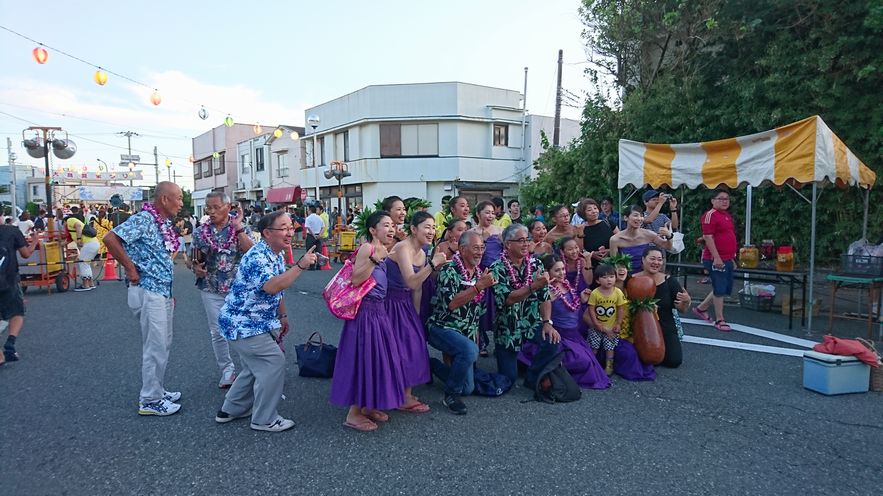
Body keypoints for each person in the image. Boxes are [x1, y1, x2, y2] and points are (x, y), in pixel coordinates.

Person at [214, 211, 317, 432]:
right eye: (283, 228)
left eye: (291, 227)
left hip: (252, 322)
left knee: (254, 366)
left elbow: (276, 291)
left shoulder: (275, 255)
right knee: (273, 362)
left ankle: (231, 409)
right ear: (267, 233)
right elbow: (272, 286)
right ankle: (264, 419)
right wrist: (300, 266)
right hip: (244, 324)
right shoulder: (258, 256)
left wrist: (283, 315)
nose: (289, 232)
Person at [103, 182, 185, 416]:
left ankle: (157, 389)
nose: (181, 203)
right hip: (148, 290)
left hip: (161, 290)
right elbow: (110, 239)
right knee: (155, 345)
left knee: (163, 342)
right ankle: (149, 399)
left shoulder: (161, 223)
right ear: (164, 200)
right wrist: (129, 268)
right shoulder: (144, 219)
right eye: (178, 198)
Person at [329, 211, 408, 432]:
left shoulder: (385, 249)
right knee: (363, 359)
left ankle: (368, 405)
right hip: (365, 313)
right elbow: (356, 279)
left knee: (377, 359)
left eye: (392, 225)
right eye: (385, 225)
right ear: (373, 230)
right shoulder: (368, 249)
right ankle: (353, 414)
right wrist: (375, 258)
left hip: (379, 311)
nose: (391, 229)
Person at [426, 231, 496, 414]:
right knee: (469, 350)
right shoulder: (449, 270)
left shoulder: (480, 272)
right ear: (462, 249)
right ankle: (450, 395)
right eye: (475, 248)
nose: (480, 252)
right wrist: (479, 286)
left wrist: (476, 337)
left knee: (468, 388)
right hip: (442, 327)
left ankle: (430, 366)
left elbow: (476, 312)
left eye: (482, 248)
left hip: (466, 332)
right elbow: (452, 304)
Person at [387, 211, 448, 413]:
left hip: (405, 303)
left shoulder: (422, 253)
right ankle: (398, 396)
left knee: (414, 344)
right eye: (427, 227)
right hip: (388, 303)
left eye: (433, 227)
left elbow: (418, 287)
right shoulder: (403, 247)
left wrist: (415, 313)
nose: (431, 231)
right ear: (414, 229)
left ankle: (405, 394)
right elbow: (411, 280)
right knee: (394, 350)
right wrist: (433, 264)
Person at [192, 192, 254, 389]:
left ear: (228, 207)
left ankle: (249, 369)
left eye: (215, 207)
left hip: (238, 288)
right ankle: (227, 369)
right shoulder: (200, 231)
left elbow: (251, 252)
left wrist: (239, 229)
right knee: (217, 331)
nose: (211, 212)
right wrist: (194, 266)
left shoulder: (240, 228)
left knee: (243, 328)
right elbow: (192, 256)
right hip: (210, 287)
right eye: (208, 208)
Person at [518, 254, 609, 389]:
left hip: (574, 335)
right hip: (560, 335)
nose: (562, 273)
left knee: (590, 362)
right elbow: (535, 315)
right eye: (557, 270)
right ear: (547, 273)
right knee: (584, 362)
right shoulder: (546, 290)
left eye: (563, 269)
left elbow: (571, 307)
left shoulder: (566, 284)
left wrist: (580, 298)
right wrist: (548, 301)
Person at [490, 223, 560, 386]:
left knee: (552, 340)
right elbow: (508, 299)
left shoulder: (536, 264)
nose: (526, 243)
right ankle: (511, 361)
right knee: (508, 380)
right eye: (521, 240)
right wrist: (534, 285)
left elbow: (544, 297)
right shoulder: (497, 268)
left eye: (527, 239)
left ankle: (533, 377)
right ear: (508, 244)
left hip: (531, 322)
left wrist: (547, 322)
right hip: (508, 327)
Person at [632, 246, 690, 367]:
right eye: (652, 259)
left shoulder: (670, 281)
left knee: (673, 361)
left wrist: (687, 301)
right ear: (643, 259)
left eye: (659, 259)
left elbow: (682, 310)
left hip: (666, 327)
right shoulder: (632, 279)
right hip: (639, 328)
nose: (656, 263)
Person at [692, 188, 737, 332]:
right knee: (719, 288)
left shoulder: (726, 215)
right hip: (714, 258)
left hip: (727, 258)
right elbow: (708, 237)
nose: (724, 201)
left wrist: (731, 258)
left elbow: (727, 236)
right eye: (721, 198)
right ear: (713, 201)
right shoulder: (710, 215)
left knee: (723, 287)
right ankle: (720, 319)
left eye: (727, 199)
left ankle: (701, 308)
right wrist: (716, 257)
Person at [0, 224, 40, 365]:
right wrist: (35, 240)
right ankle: (10, 344)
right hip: (9, 279)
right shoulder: (12, 231)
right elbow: (26, 254)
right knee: (17, 312)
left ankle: (0, 356)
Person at [472, 201, 504, 357]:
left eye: (492, 212)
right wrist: (482, 240)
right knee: (480, 310)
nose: (491, 215)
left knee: (500, 309)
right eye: (487, 212)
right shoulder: (472, 232)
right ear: (478, 214)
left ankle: (500, 343)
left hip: (499, 275)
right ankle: (482, 342)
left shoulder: (500, 232)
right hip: (479, 274)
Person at [585, 264, 628, 375]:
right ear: (598, 280)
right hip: (597, 327)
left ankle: (609, 366)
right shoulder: (595, 293)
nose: (608, 280)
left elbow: (620, 309)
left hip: (611, 326)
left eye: (611, 276)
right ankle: (591, 364)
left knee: (610, 348)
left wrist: (618, 324)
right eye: (604, 277)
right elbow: (591, 309)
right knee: (593, 346)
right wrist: (595, 323)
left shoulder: (618, 292)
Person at [609, 205, 672, 273]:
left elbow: (667, 246)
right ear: (626, 218)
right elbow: (614, 263)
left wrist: (669, 236)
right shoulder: (615, 239)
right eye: (636, 215)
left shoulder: (648, 234)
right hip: (626, 276)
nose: (639, 218)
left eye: (641, 216)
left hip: (646, 276)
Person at [66, 208, 100, 291]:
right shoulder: (72, 229)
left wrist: (78, 239)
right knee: (86, 263)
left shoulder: (70, 220)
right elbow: (68, 240)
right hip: (94, 243)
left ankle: (85, 285)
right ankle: (90, 283)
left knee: (82, 262)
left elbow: (77, 226)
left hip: (89, 244)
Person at [579, 198, 619, 268]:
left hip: (613, 264)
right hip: (593, 266)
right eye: (589, 210)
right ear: (583, 213)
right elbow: (580, 250)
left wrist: (610, 250)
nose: (594, 211)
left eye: (595, 208)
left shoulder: (608, 223)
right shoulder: (581, 229)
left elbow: (621, 240)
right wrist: (593, 254)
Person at [303, 205, 324, 270]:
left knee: (310, 251)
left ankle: (312, 266)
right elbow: (323, 227)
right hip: (318, 236)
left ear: (310, 210)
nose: (307, 211)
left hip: (310, 236)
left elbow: (308, 228)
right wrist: (319, 235)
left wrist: (313, 235)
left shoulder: (308, 218)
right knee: (318, 251)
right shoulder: (319, 218)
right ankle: (319, 266)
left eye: (308, 210)